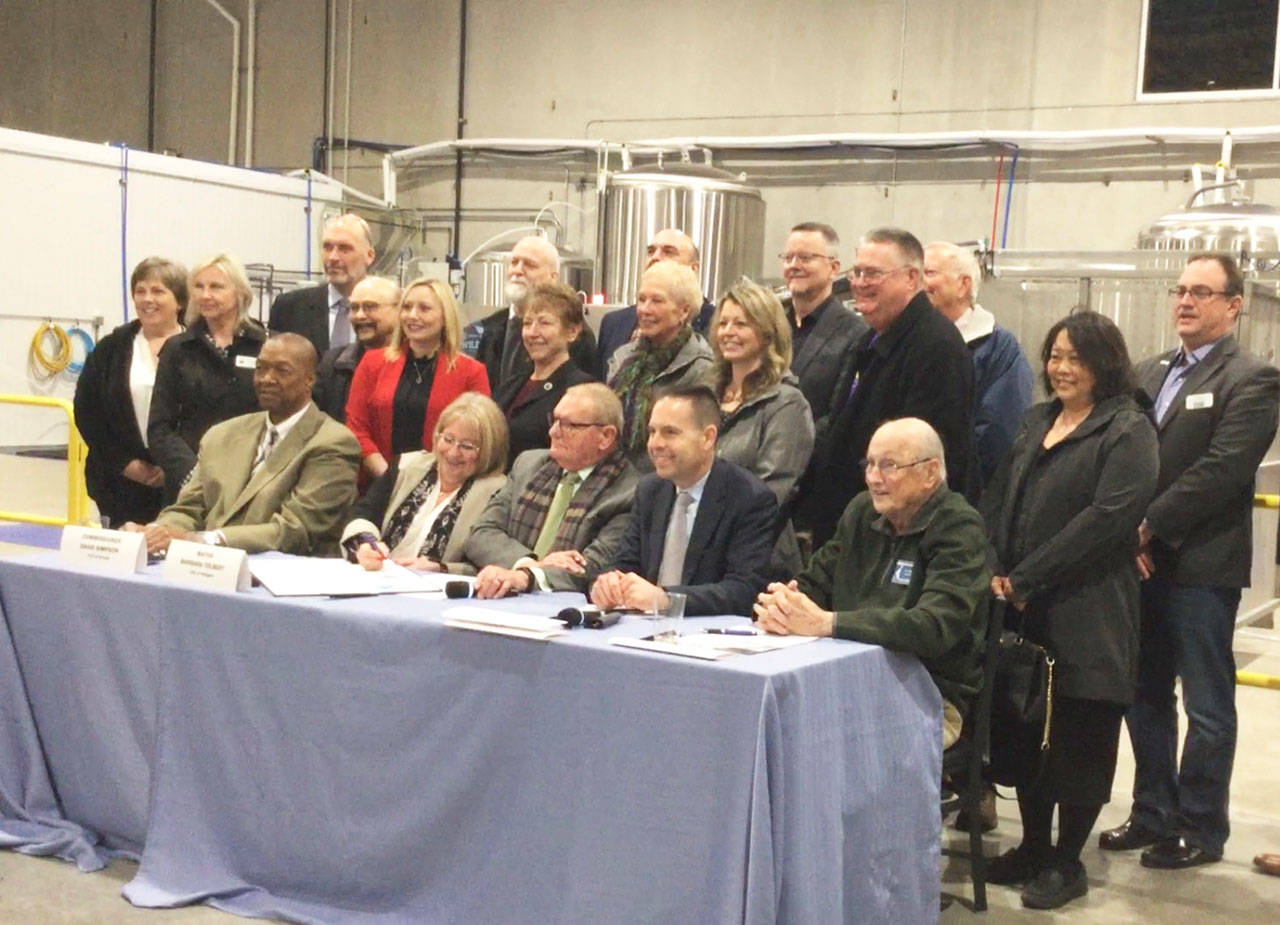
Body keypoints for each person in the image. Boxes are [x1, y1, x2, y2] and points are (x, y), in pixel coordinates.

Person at [1100, 253, 1280, 870]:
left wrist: (1147, 526)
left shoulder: (1252, 378)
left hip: (1200, 566)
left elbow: (1221, 471)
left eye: (1201, 292)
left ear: (1234, 306)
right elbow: (1121, 454)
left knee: (1206, 705)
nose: (1185, 301)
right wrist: (1127, 533)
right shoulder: (1147, 371)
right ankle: (1152, 813)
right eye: (1180, 290)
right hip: (1139, 563)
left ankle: (1200, 827)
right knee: (1142, 693)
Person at [979, 311, 1159, 910]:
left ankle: (1065, 860)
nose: (1061, 368)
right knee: (1030, 729)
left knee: (1082, 730)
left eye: (1076, 358)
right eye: (1055, 355)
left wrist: (1028, 577)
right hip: (1024, 608)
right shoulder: (1037, 422)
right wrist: (995, 567)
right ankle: (1032, 845)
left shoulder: (1127, 429)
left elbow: (1108, 520)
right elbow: (999, 497)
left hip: (1089, 611)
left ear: (1104, 364)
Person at [755, 417, 988, 750]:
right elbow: (814, 581)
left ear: (930, 473)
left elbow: (934, 626)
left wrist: (828, 623)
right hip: (844, 678)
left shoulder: (959, 527)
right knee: (765, 716)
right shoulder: (862, 512)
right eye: (870, 465)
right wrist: (783, 606)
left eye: (889, 466)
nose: (875, 479)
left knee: (806, 738)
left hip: (927, 692)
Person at [796, 227, 974, 549]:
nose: (861, 283)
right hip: (849, 529)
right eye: (858, 272)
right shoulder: (870, 340)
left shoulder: (936, 346)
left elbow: (926, 461)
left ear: (910, 278)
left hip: (893, 540)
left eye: (874, 273)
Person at [124, 334, 360, 556]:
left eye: (282, 371)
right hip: (207, 569)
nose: (267, 378)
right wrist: (156, 532)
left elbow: (295, 529)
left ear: (309, 380)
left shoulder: (333, 442)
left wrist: (205, 540)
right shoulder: (222, 435)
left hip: (283, 578)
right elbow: (188, 508)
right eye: (261, 368)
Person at [592, 386, 777, 617]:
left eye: (670, 432)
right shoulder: (650, 490)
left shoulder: (749, 498)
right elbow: (625, 561)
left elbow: (744, 590)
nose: (655, 444)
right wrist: (609, 582)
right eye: (652, 432)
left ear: (707, 437)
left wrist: (667, 599)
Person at [466, 383, 639, 596]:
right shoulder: (528, 465)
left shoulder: (629, 492)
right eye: (554, 420)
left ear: (606, 436)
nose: (553, 432)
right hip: (503, 591)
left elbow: (594, 567)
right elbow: (482, 534)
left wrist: (526, 577)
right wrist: (530, 563)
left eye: (569, 425)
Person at [709, 279, 814, 574]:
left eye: (741, 324)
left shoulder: (787, 403)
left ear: (768, 333)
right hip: (697, 546)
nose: (728, 332)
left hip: (756, 559)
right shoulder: (703, 394)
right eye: (724, 323)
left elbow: (773, 492)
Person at [340, 393, 508, 574]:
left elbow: (490, 566)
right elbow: (363, 513)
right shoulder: (406, 466)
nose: (453, 453)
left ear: (489, 450)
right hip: (381, 579)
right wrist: (366, 543)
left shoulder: (497, 491)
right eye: (448, 439)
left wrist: (441, 568)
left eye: (467, 446)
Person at [74, 257, 186, 527]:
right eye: (140, 291)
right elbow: (88, 411)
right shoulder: (111, 349)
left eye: (158, 291)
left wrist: (173, 465)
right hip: (120, 483)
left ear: (180, 301)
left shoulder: (197, 349)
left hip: (183, 484)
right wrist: (125, 463)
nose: (148, 299)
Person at [148, 253, 268, 503]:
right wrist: (194, 475)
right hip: (189, 483)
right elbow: (160, 428)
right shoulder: (177, 349)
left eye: (216, 287)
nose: (205, 295)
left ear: (239, 293)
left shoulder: (266, 346)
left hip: (251, 481)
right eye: (199, 287)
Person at [345, 277, 490, 482]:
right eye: (406, 307)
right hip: (376, 482)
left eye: (424, 308)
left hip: (441, 485)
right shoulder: (372, 363)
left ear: (445, 316)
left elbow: (479, 437)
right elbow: (356, 427)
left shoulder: (471, 372)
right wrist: (389, 477)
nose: (412, 316)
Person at [924, 241, 1033, 488]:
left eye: (929, 273)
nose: (919, 283)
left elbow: (999, 433)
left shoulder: (999, 348)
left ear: (964, 285)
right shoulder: (912, 340)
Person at [607, 261, 714, 468]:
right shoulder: (622, 358)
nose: (645, 310)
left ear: (684, 311)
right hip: (612, 473)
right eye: (641, 299)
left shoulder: (701, 369)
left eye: (656, 301)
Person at [471, 235, 597, 391]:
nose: (517, 271)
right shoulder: (492, 327)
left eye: (530, 265)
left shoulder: (575, 336)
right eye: (514, 262)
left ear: (553, 278)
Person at [492, 280, 595, 466]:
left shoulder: (581, 390)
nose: (532, 332)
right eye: (527, 323)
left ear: (572, 332)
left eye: (544, 323)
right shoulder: (512, 384)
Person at [595, 228, 716, 378]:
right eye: (651, 251)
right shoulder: (614, 324)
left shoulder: (717, 325)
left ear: (693, 268)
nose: (656, 257)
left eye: (669, 252)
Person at [780, 222, 867, 420]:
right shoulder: (769, 327)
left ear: (834, 268)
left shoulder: (855, 333)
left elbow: (841, 414)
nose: (794, 265)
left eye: (805, 258)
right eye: (788, 257)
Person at [269, 212, 375, 354]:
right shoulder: (289, 308)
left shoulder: (389, 311)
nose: (333, 257)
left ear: (369, 256)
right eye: (327, 247)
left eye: (344, 249)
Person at [313, 275, 400, 422]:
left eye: (370, 307)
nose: (359, 315)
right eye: (354, 308)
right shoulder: (332, 365)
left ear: (398, 310)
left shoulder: (414, 366)